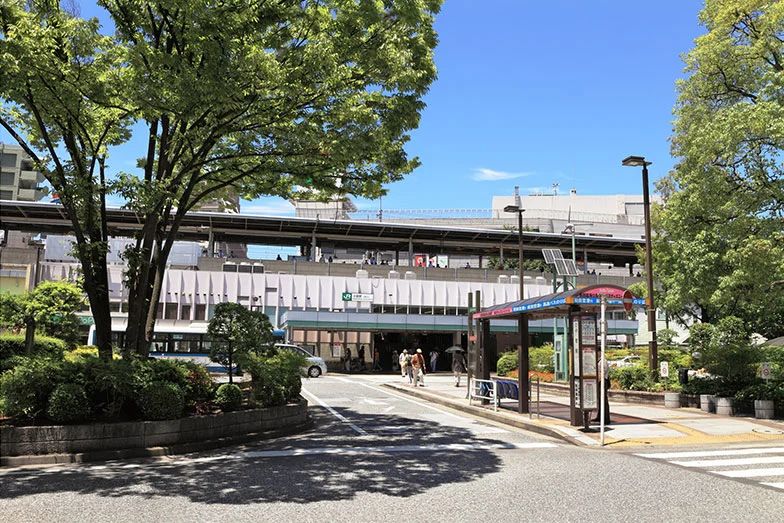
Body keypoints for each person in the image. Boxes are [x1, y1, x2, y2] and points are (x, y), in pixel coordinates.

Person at [592, 352, 612, 424]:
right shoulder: (599, 361)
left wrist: (597, 381)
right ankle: (600, 417)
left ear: (599, 352)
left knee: (603, 400)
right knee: (600, 400)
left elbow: (602, 373)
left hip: (602, 382)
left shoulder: (603, 361)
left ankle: (606, 419)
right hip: (599, 382)